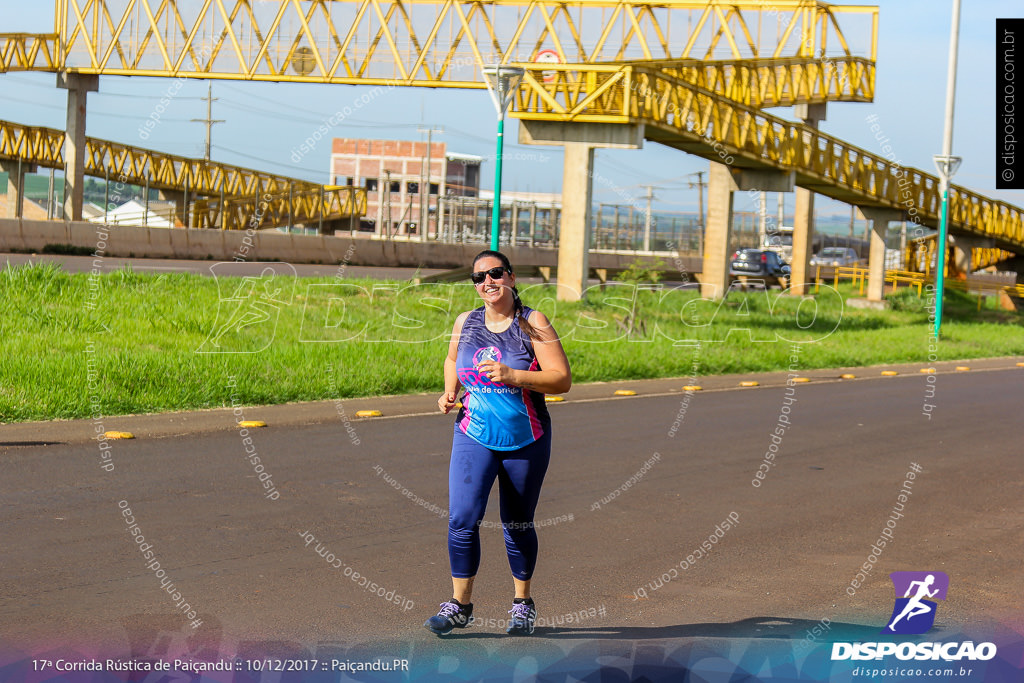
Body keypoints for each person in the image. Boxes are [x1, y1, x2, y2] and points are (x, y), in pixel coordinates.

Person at [424, 250, 571, 636]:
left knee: (517, 522)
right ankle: (460, 605)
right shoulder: (466, 321)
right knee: (461, 519)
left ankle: (522, 604)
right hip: (473, 433)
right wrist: (449, 390)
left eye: (494, 274)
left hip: (526, 438)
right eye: (478, 278)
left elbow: (560, 380)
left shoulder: (532, 322)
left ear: (511, 277)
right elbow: (451, 358)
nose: (486, 282)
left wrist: (514, 375)